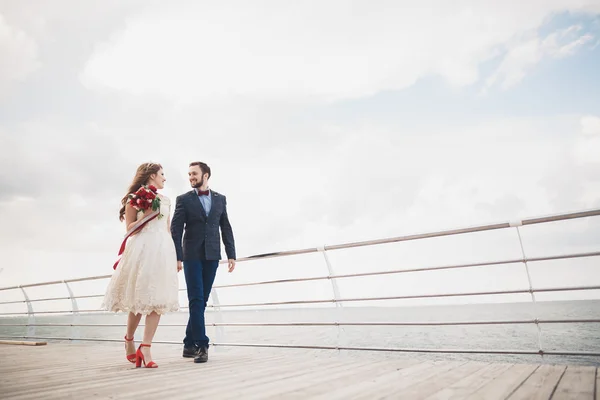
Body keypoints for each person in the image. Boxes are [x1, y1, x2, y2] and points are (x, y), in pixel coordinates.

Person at [102, 162, 180, 368]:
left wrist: (175, 257)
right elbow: (129, 229)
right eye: (162, 174)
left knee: (158, 299)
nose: (164, 178)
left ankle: (146, 347)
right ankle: (129, 339)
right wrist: (144, 217)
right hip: (142, 249)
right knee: (139, 298)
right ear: (152, 175)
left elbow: (168, 228)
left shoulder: (166, 200)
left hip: (162, 250)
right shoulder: (133, 199)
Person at [171, 161, 236, 363]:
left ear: (205, 175)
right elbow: (176, 229)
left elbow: (225, 226)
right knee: (196, 300)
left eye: (194, 174)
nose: (190, 177)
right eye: (189, 174)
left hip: (212, 256)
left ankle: (188, 344)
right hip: (191, 256)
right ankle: (201, 345)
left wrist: (231, 253)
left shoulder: (220, 199)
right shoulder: (183, 200)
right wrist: (177, 256)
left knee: (201, 301)